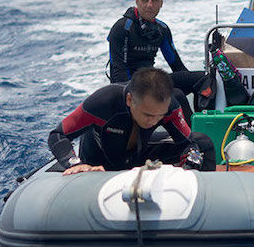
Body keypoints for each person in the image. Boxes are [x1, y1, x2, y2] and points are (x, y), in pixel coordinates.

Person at [48, 68, 216, 175]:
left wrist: (190, 165)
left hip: (137, 155)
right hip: (99, 165)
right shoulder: (103, 102)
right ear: (130, 100)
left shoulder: (170, 107)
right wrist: (76, 164)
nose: (154, 121)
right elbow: (57, 135)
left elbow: (188, 143)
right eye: (148, 115)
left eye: (159, 116)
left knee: (203, 143)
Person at [107, 0, 205, 118]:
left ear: (161, 3)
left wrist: (191, 83)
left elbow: (177, 66)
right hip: (128, 87)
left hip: (152, 81)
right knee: (177, 96)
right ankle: (191, 136)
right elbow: (118, 72)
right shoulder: (122, 28)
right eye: (145, 0)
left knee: (204, 79)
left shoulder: (161, 29)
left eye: (155, 0)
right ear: (136, 1)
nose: (149, 5)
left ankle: (205, 121)